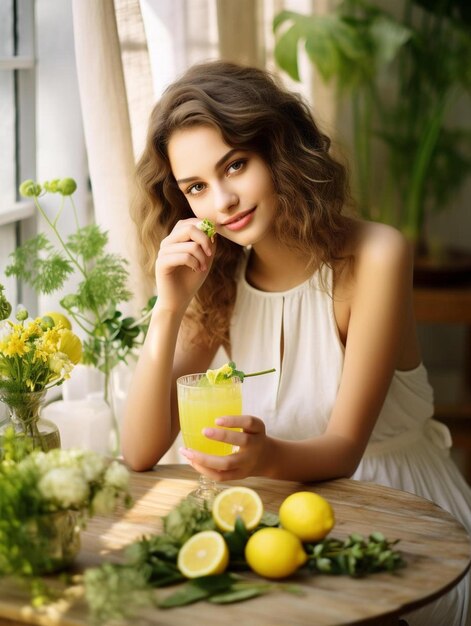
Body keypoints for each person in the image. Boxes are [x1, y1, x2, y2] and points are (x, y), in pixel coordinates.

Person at [122, 60, 471, 625]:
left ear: (279, 148)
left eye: (235, 165)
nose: (223, 202)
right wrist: (169, 307)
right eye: (196, 187)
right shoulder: (216, 281)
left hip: (406, 526)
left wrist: (263, 456)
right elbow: (138, 452)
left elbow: (344, 448)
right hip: (284, 536)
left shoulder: (376, 255)